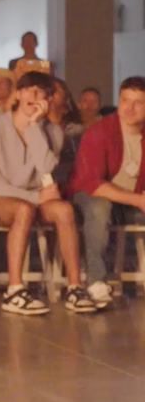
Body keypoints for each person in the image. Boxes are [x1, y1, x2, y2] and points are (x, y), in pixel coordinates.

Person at [0, 71, 96, 314]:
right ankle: (14, 290)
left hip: (36, 197)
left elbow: (46, 168)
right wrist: (35, 197)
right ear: (18, 93)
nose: (34, 95)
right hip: (0, 198)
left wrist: (33, 127)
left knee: (64, 209)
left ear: (47, 98)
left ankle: (74, 287)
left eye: (40, 91)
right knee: (24, 209)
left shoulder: (52, 131)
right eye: (29, 89)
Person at [69, 76, 144, 310]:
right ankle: (96, 281)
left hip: (134, 201)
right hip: (90, 195)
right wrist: (139, 200)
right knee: (100, 206)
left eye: (138, 102)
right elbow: (92, 182)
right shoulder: (100, 131)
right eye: (125, 100)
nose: (129, 108)